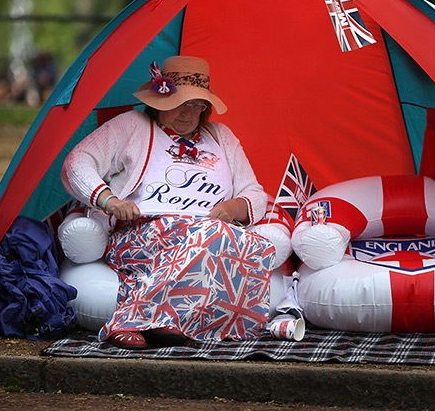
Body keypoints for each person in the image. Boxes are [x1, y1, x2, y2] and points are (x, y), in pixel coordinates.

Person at [61, 55, 275, 349]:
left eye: (197, 105)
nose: (188, 114)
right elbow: (76, 163)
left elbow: (255, 194)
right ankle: (128, 320)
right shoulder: (133, 126)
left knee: (249, 246)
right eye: (180, 104)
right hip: (145, 233)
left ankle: (166, 322)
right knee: (211, 237)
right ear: (158, 100)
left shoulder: (221, 136)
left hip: (212, 236)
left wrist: (233, 207)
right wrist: (109, 200)